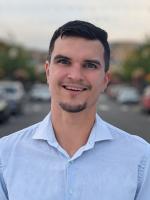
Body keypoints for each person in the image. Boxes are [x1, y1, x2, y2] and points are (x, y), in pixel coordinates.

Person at [0, 20, 150, 200]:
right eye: (64, 61)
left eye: (90, 65)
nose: (76, 75)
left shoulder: (141, 158)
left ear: (105, 80)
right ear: (48, 72)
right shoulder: (4, 156)